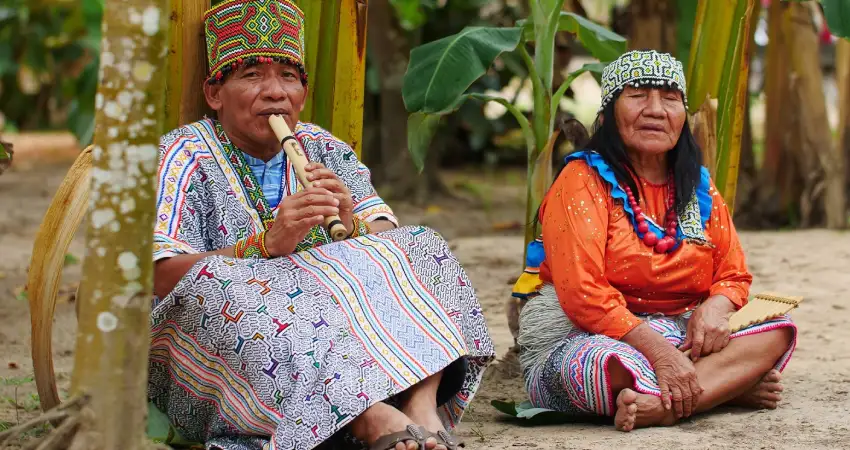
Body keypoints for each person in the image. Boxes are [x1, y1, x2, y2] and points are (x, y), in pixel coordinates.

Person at [148, 1, 495, 449]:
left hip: (332, 335)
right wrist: (264, 246)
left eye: (289, 77)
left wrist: (351, 229)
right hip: (224, 343)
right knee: (217, 285)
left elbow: (389, 237)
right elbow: (160, 275)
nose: (276, 93)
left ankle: (420, 404)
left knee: (421, 244)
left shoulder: (321, 147)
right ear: (215, 93)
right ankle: (367, 418)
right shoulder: (181, 154)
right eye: (252, 75)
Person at [513, 50, 796, 431]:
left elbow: (733, 273)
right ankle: (722, 386)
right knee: (608, 365)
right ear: (609, 113)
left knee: (778, 329)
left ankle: (664, 406)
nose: (655, 110)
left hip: (683, 331)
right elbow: (583, 292)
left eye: (669, 98)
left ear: (682, 114)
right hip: (589, 335)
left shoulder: (697, 185)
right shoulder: (581, 180)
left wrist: (714, 308)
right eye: (637, 95)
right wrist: (660, 353)